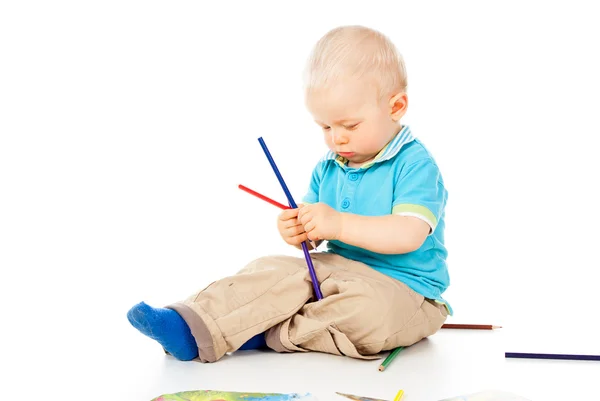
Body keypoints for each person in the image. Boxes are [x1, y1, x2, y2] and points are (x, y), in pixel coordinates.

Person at [127, 25, 451, 363]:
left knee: (369, 314)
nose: (336, 138)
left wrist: (337, 224)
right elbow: (313, 238)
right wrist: (301, 232)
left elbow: (409, 234)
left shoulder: (415, 164)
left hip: (408, 291)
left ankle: (259, 332)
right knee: (272, 270)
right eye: (325, 127)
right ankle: (192, 324)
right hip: (338, 271)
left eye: (350, 125)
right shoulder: (329, 167)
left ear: (396, 106)